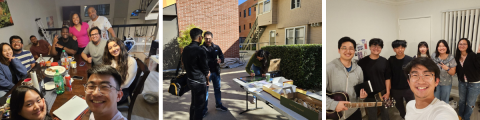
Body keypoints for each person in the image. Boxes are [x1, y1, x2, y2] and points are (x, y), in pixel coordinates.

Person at [326, 37, 367, 120]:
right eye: (344, 48)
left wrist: (362, 97)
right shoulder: (328, 68)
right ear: (339, 50)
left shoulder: (358, 69)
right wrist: (334, 105)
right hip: (334, 114)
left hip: (354, 112)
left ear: (354, 51)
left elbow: (359, 93)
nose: (348, 51)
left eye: (351, 48)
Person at [357, 38, 390, 120]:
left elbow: (387, 78)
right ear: (369, 47)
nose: (376, 48)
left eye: (379, 46)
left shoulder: (385, 61)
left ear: (381, 48)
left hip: (382, 93)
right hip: (368, 94)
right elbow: (358, 79)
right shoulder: (361, 62)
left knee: (385, 113)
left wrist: (388, 92)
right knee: (372, 115)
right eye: (374, 46)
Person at [182, 28, 210, 120]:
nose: (202, 39)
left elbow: (184, 63)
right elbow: (206, 70)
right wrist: (207, 80)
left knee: (194, 103)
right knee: (199, 106)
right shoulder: (200, 50)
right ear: (199, 37)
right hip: (199, 82)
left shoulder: (186, 49)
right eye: (202, 37)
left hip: (190, 80)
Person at [200, 31, 227, 117]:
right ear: (204, 38)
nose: (207, 40)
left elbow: (222, 56)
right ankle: (204, 109)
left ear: (212, 38)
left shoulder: (216, 47)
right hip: (206, 74)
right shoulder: (201, 48)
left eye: (209, 38)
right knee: (205, 92)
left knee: (217, 89)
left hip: (216, 72)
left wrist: (220, 60)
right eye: (206, 38)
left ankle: (218, 105)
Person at [102, 38, 137, 104]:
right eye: (110, 48)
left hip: (122, 90)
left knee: (100, 98)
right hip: (111, 85)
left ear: (121, 45)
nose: (113, 49)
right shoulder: (111, 60)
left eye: (115, 45)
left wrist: (109, 87)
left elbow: (126, 84)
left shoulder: (131, 61)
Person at [387, 40, 414, 119]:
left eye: (402, 47)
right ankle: (404, 117)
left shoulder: (410, 59)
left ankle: (411, 117)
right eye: (397, 48)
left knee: (411, 105)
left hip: (408, 88)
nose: (400, 50)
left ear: (404, 48)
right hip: (395, 89)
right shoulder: (391, 60)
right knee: (399, 106)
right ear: (394, 49)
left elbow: (414, 73)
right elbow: (388, 75)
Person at [455, 38, 480, 120]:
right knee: (461, 101)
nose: (462, 45)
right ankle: (460, 116)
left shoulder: (472, 55)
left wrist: (479, 54)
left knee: (470, 103)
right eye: (460, 44)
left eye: (464, 44)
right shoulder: (457, 56)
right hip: (462, 82)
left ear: (468, 45)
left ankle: (466, 117)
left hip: (474, 84)